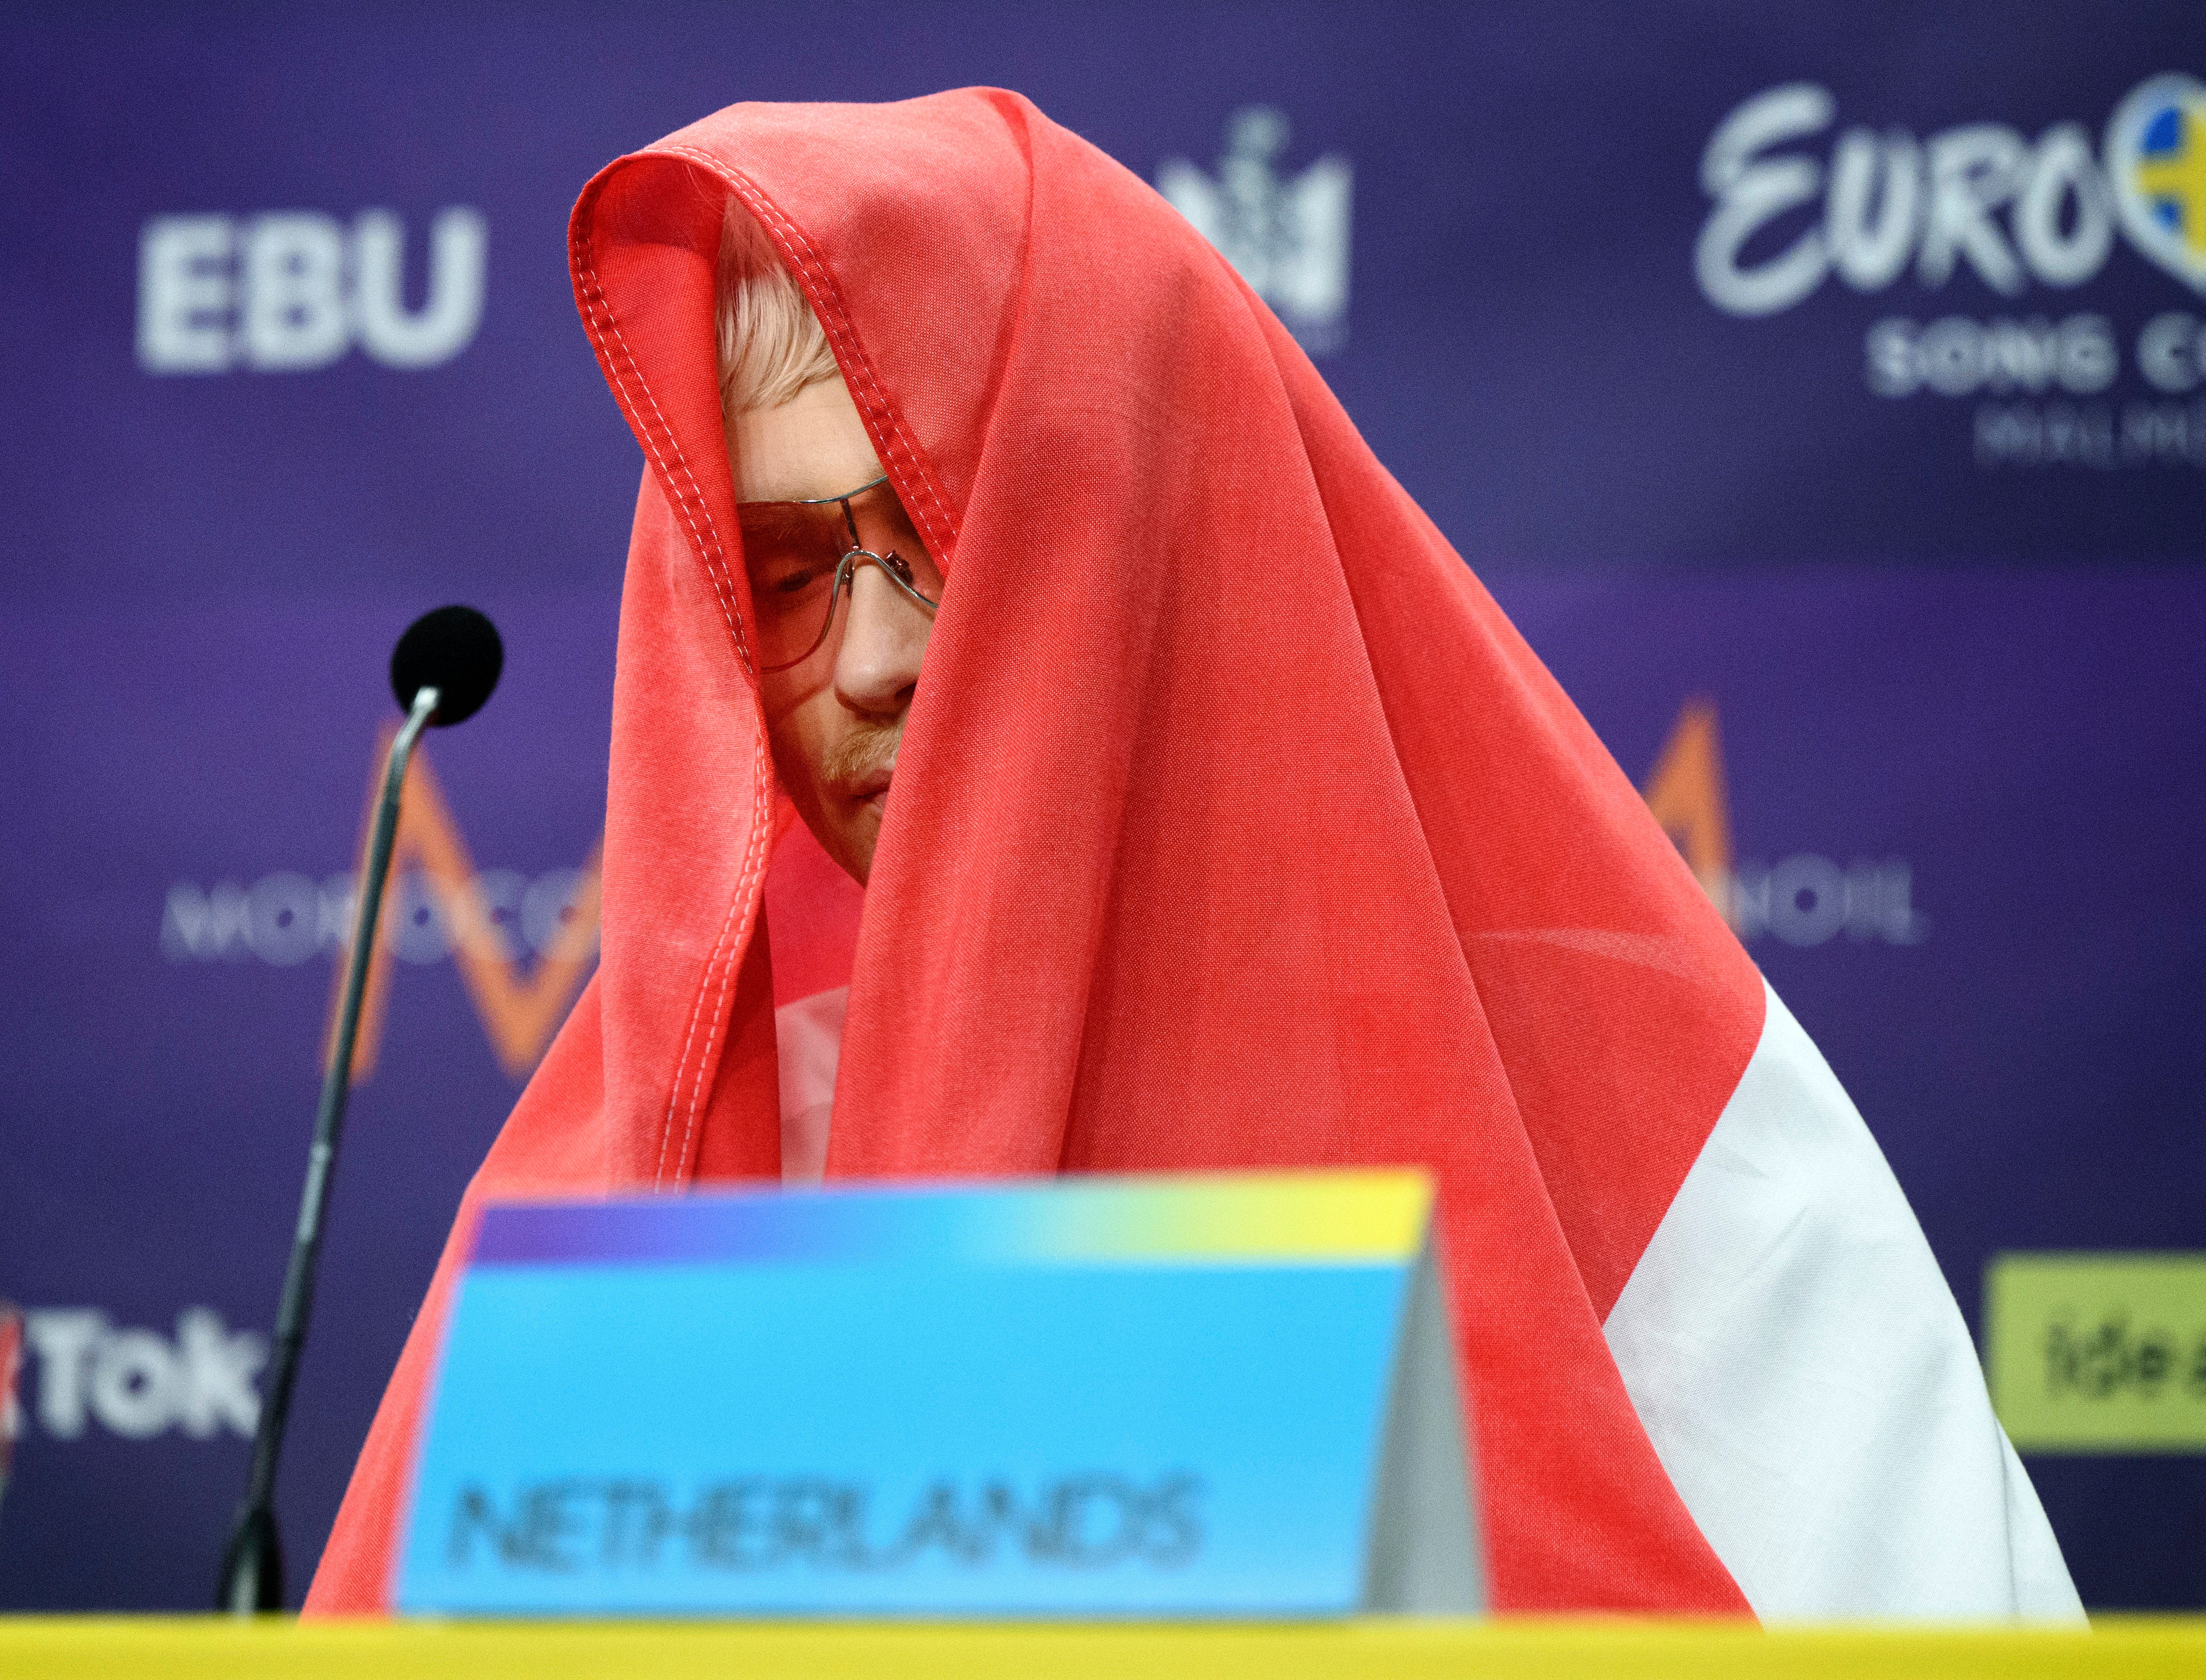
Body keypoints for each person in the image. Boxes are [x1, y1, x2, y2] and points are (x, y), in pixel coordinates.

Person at [305, 89, 2081, 1620]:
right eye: (780, 575)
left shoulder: (1649, 1138)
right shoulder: (646, 1161)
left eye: (938, 538)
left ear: (1154, 531)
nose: (867, 657)